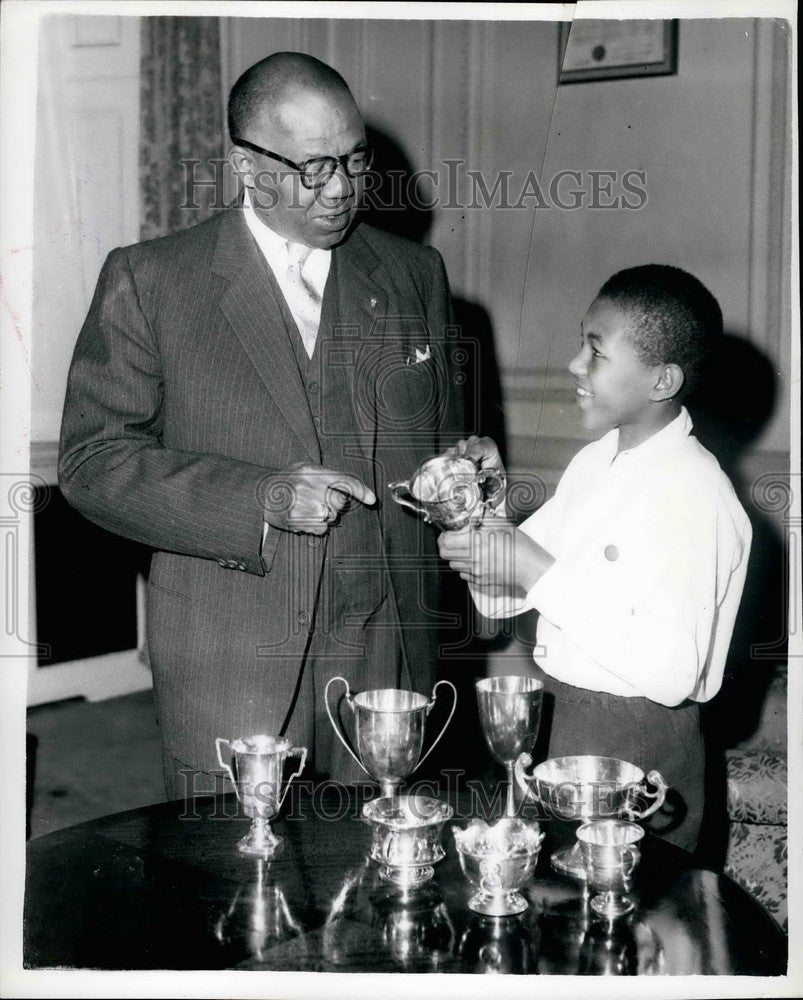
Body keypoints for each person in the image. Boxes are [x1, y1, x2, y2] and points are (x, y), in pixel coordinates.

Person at [59, 52, 463, 798]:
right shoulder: (151, 280)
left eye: (353, 159)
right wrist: (258, 500)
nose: (341, 189)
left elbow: (441, 445)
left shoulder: (414, 274)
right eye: (313, 167)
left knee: (383, 874)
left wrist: (466, 477)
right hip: (231, 646)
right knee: (236, 889)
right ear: (247, 165)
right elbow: (93, 463)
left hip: (387, 642)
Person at [438, 265, 751, 851]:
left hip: (641, 748)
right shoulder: (594, 462)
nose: (574, 364)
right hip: (565, 729)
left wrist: (532, 568)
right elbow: (502, 597)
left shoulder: (694, 490)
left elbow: (671, 673)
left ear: (661, 380)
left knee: (625, 931)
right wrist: (482, 505)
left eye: (596, 351)